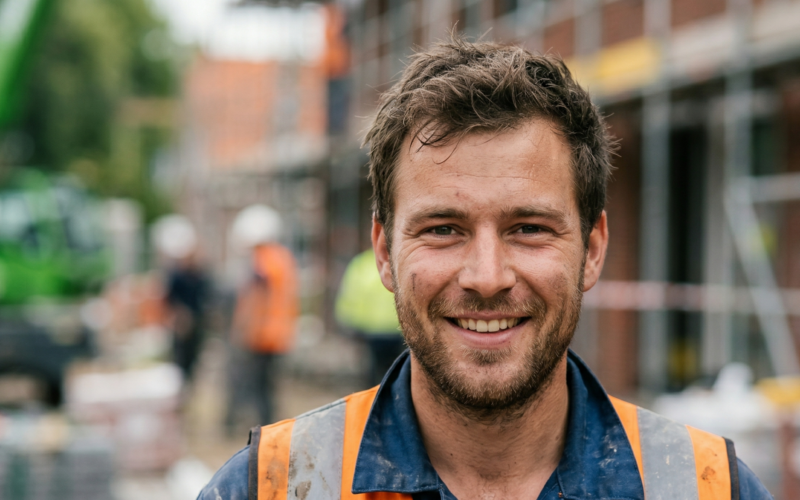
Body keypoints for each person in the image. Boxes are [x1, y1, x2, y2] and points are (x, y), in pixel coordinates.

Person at [199, 37, 772, 500]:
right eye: (443, 229)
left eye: (529, 228)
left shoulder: (708, 487)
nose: (487, 276)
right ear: (383, 252)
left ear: (593, 249)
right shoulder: (271, 486)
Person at [225, 205, 299, 431]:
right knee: (268, 387)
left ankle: (263, 430)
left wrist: (241, 329)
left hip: (260, 335)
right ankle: (269, 427)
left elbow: (256, 297)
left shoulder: (262, 260)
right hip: (279, 334)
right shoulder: (284, 257)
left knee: (256, 386)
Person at [335, 248, 404, 386]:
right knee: (398, 370)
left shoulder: (361, 263)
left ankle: (374, 400)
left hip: (371, 328)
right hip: (396, 328)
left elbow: (350, 294)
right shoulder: (400, 260)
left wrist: (348, 321)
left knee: (373, 372)